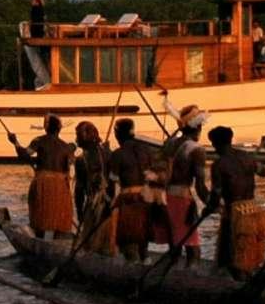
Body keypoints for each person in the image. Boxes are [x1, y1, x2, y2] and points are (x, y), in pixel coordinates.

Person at [208, 126, 265, 274]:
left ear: (216, 143)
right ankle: (247, 275)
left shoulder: (219, 165)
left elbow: (216, 193)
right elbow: (264, 172)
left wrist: (209, 207)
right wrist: (254, 163)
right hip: (252, 208)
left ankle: (237, 278)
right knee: (248, 247)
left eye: (213, 144)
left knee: (234, 249)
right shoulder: (246, 156)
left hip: (235, 211)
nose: (213, 147)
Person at [159, 103, 211, 262]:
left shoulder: (169, 143)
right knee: (192, 246)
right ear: (198, 127)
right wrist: (213, 203)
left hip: (165, 197)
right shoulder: (197, 150)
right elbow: (200, 185)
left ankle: (173, 276)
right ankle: (192, 277)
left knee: (174, 243)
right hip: (182, 199)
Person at [18, 113, 77, 237]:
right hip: (61, 186)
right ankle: (58, 238)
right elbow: (70, 165)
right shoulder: (66, 147)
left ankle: (39, 237)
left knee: (40, 214)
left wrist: (15, 143)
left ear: (46, 126)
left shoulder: (39, 140)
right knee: (59, 215)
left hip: (44, 183)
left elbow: (24, 154)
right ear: (59, 128)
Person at [109, 116, 158, 261]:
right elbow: (153, 173)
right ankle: (145, 260)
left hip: (128, 198)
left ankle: (133, 264)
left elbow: (113, 178)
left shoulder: (118, 153)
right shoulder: (146, 150)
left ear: (118, 134)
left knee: (127, 237)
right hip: (146, 196)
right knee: (143, 235)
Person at [71, 120, 112, 252]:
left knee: (89, 243)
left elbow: (79, 190)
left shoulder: (81, 160)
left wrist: (80, 213)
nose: (76, 139)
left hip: (95, 205)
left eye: (77, 136)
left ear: (84, 138)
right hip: (111, 204)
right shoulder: (107, 152)